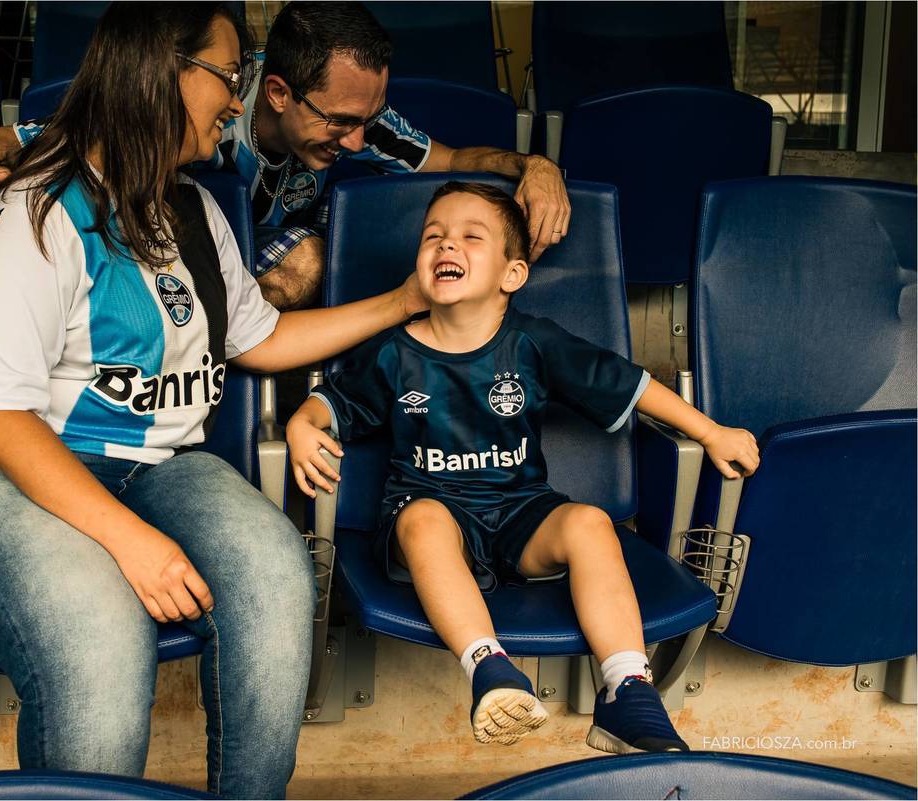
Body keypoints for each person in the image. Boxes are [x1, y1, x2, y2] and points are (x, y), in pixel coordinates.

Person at [0, 5, 424, 798]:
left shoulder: (200, 212)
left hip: (156, 468)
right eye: (227, 75)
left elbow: (261, 339)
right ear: (160, 72)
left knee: (277, 572)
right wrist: (132, 544)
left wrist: (406, 298)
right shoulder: (35, 208)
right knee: (98, 625)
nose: (236, 97)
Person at [285, 181, 760, 752]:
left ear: (512, 275)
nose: (446, 246)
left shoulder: (533, 343)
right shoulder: (393, 352)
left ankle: (626, 692)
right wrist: (299, 425)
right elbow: (330, 404)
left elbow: (630, 386)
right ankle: (490, 670)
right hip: (433, 514)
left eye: (470, 237)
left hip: (521, 511)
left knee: (588, 522)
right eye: (433, 236)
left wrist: (709, 431)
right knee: (422, 521)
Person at [0, 1, 571, 311]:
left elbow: (458, 157)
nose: (359, 143)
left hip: (253, 288)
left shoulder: (358, 119)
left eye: (367, 121)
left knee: (322, 251)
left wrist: (535, 167)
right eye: (340, 123)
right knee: (305, 257)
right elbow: (10, 139)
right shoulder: (195, 114)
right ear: (276, 94)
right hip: (170, 283)